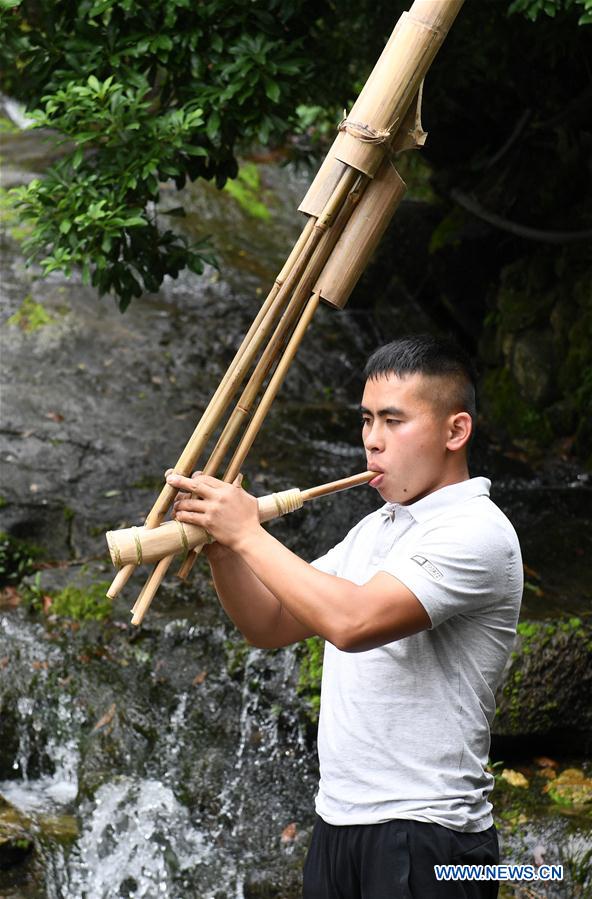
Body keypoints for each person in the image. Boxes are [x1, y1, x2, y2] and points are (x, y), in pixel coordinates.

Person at [166, 334, 523, 899]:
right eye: (366, 421)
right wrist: (223, 551)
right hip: (339, 822)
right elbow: (270, 625)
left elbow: (350, 623)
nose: (372, 442)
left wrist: (246, 531)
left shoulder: (477, 531)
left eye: (393, 421)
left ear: (456, 431)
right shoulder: (376, 528)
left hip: (428, 835)